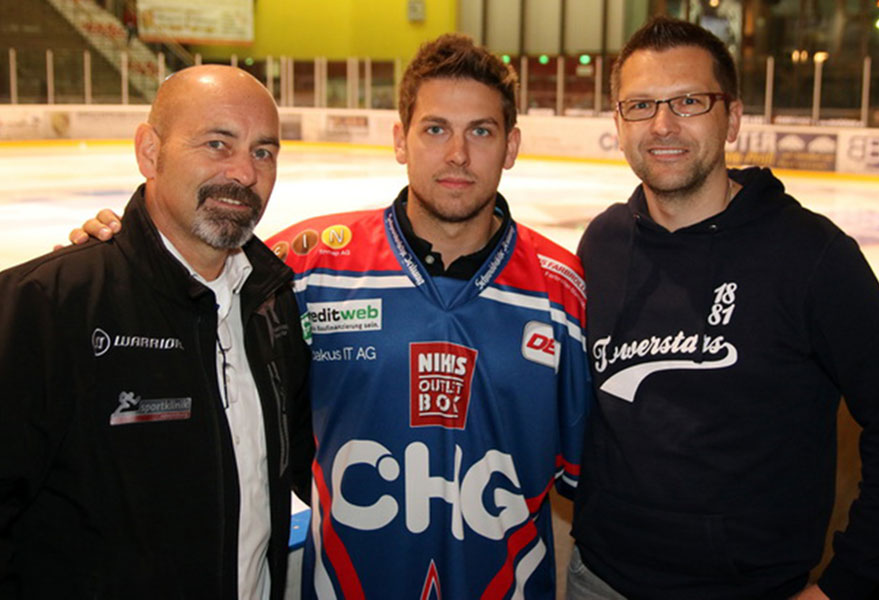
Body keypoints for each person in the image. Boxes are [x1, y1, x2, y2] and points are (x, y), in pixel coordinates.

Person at [72, 34, 592, 599]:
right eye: (436, 129)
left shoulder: (560, 287)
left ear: (511, 146)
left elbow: (581, 476)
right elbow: (187, 278)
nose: (458, 156)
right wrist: (116, 252)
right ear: (401, 140)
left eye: (482, 132)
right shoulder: (307, 265)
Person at [570, 16, 879, 600]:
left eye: (689, 101)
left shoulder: (811, 254)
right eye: (640, 105)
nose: (663, 125)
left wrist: (849, 582)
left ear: (733, 118)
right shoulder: (602, 243)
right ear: (618, 124)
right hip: (600, 580)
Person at [0, 65, 314, 599]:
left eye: (264, 152)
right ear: (150, 152)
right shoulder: (45, 307)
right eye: (218, 144)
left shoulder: (274, 305)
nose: (244, 172)